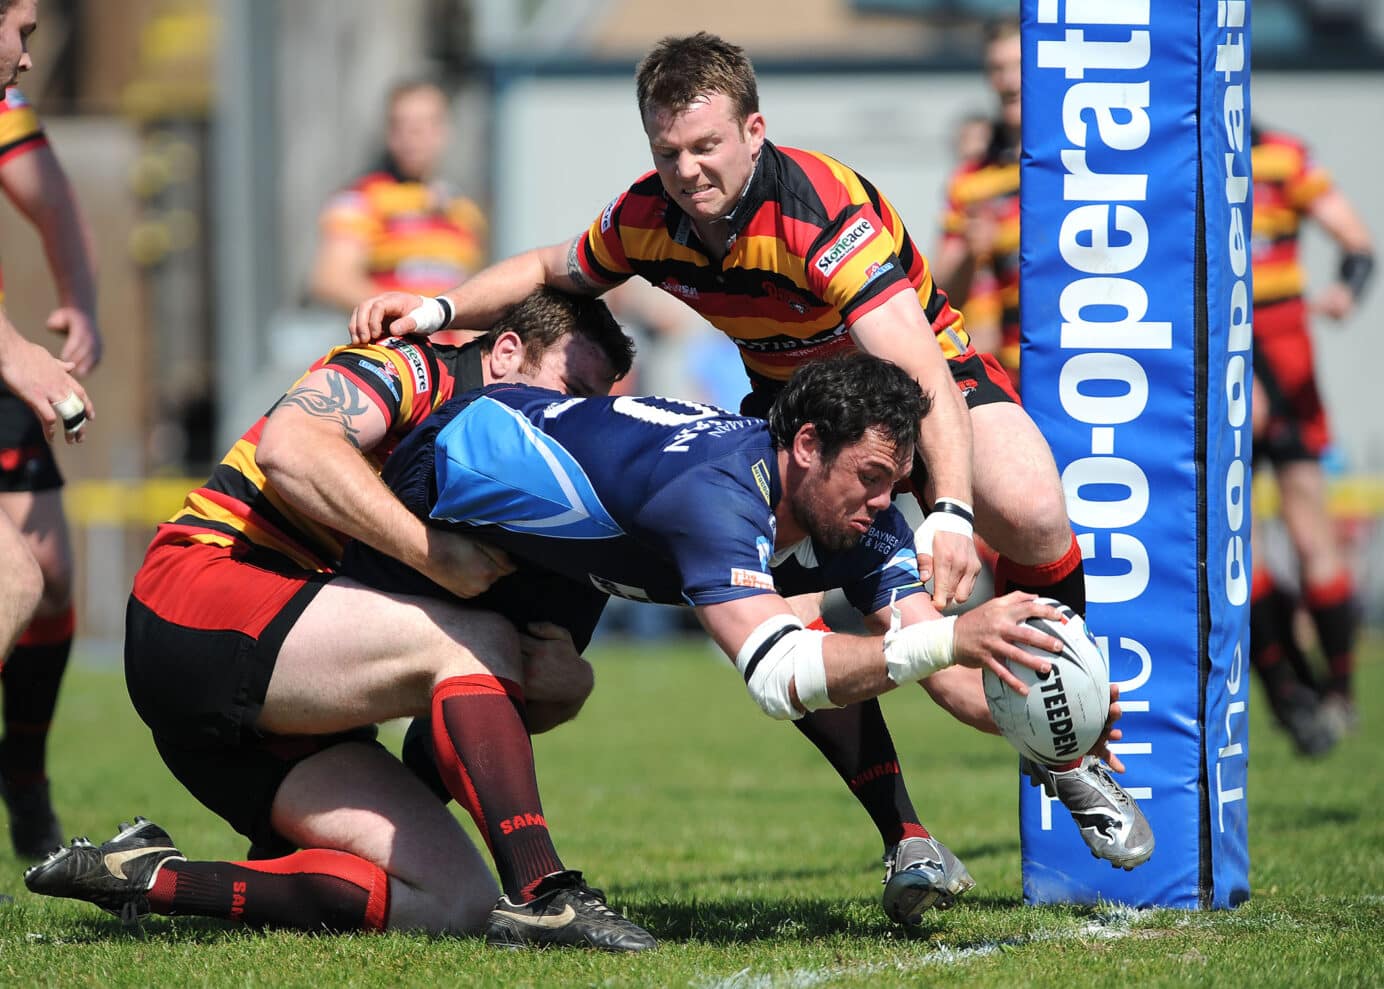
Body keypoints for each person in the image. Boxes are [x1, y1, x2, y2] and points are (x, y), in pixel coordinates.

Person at [346, 31, 1145, 880]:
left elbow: (919, 376)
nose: (688, 170)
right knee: (837, 640)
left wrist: (947, 510)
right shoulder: (647, 217)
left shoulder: (818, 211)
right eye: (668, 151)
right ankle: (910, 841)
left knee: (1028, 506)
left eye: (706, 146)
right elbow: (552, 267)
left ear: (754, 130)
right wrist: (435, 310)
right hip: (796, 429)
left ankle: (1068, 742)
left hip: (917, 390)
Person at [345, 351, 1153, 930]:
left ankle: (414, 848)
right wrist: (954, 638)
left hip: (565, 547)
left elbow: (940, 669)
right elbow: (779, 677)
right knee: (456, 683)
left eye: (896, 483)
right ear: (806, 446)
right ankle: (529, 889)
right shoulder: (716, 494)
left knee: (549, 687)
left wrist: (1055, 725)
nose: (885, 501)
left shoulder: (848, 513)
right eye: (872, 477)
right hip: (432, 491)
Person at [26, 289, 659, 952]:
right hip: (194, 603)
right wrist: (433, 555)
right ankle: (545, 893)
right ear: (505, 353)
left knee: (454, 899)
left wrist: (556, 683)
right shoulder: (411, 369)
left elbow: (461, 722)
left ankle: (151, 876)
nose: (578, 416)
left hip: (280, 697)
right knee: (477, 639)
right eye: (570, 388)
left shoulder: (521, 476)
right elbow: (290, 448)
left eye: (596, 403)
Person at [0, 0, 101, 860]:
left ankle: (23, 774)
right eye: (23, 33)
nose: (29, 58)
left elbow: (55, 200)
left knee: (48, 578)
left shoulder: (3, 108)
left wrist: (83, 304)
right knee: (10, 576)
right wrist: (19, 357)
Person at [1246, 123, 1374, 748]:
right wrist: (1348, 291)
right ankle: (1311, 691)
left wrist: (1347, 294)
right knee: (1261, 541)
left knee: (1295, 532)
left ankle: (1319, 692)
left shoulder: (1280, 155)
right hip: (1237, 362)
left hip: (1274, 359)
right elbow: (1357, 244)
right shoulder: (1273, 152)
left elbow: (1355, 242)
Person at [309, 80, 486, 345]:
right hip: (392, 357)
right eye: (402, 125)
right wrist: (410, 315)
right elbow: (331, 278)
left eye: (424, 125)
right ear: (389, 133)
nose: (412, 136)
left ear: (444, 131)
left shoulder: (464, 212)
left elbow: (467, 295)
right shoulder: (362, 199)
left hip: (451, 367)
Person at [932, 19, 1021, 389]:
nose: (1010, 81)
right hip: (1004, 377)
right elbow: (941, 288)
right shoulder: (971, 177)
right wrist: (970, 249)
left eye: (1019, 65)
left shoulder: (1085, 163)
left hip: (1077, 364)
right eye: (998, 68)